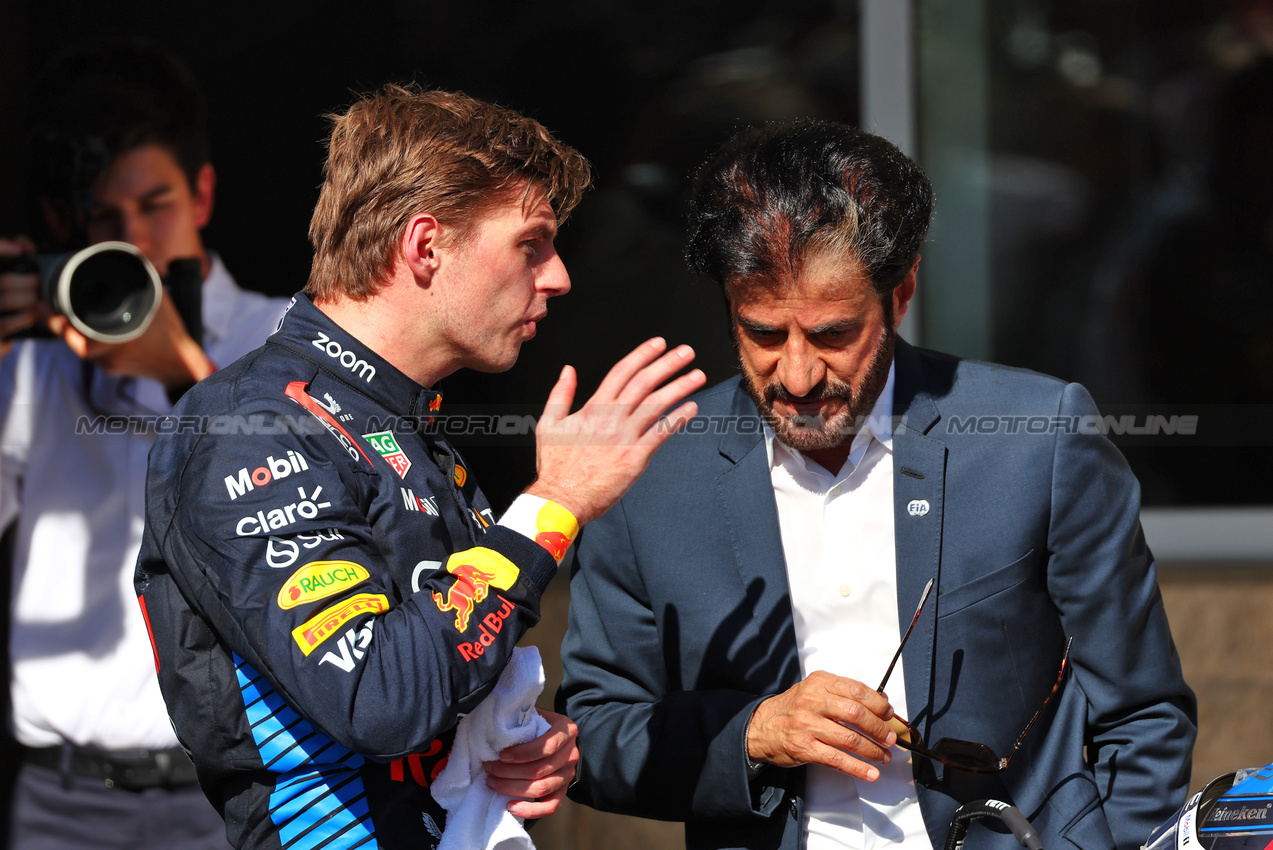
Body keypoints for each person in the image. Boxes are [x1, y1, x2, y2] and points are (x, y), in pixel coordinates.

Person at [558, 121, 1197, 850]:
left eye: (832, 334)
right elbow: (595, 738)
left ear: (901, 293)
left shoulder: (1037, 436)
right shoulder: (648, 469)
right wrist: (753, 733)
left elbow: (1142, 715)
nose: (796, 375)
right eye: (763, 334)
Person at [133, 83, 705, 849]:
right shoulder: (251, 429)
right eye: (530, 243)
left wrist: (514, 743)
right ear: (424, 245)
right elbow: (378, 696)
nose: (560, 275)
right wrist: (551, 506)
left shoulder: (403, 427)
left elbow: (437, 675)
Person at [0, 44, 289, 849]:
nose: (133, 241)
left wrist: (184, 378)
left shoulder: (282, 334)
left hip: (234, 790)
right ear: (67, 228)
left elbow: (289, 517)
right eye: (103, 219)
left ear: (201, 193)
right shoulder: (37, 363)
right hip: (64, 798)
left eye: (154, 205)